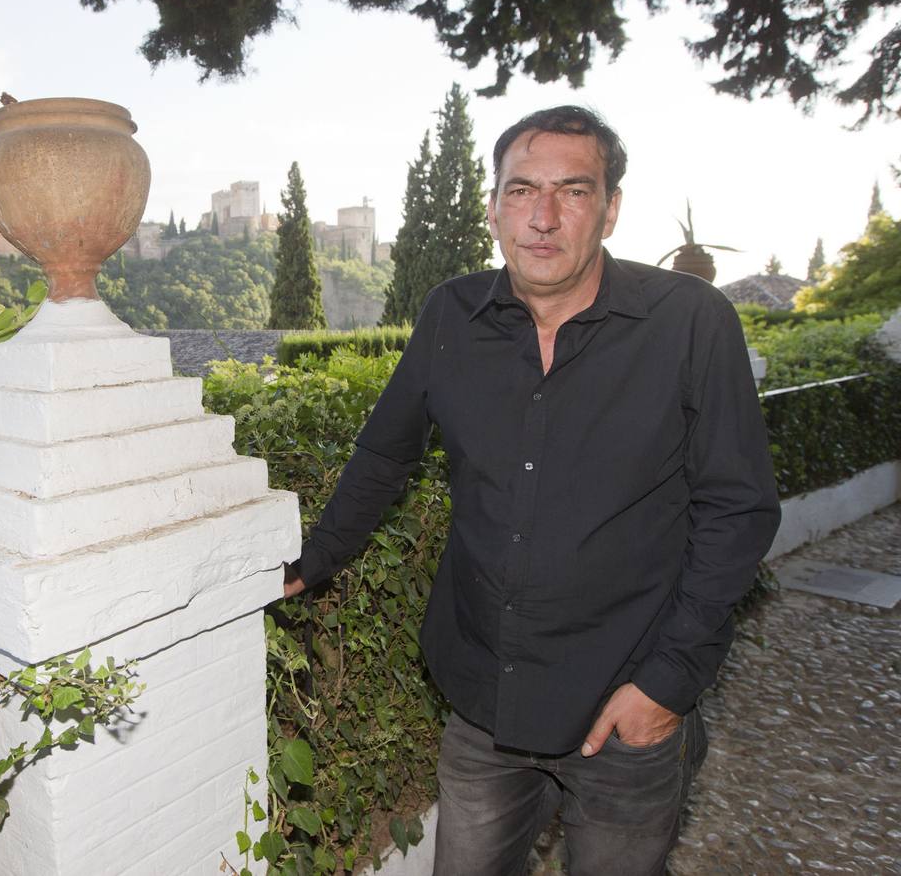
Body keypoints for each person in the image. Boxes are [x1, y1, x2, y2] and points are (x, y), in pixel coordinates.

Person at [282, 106, 781, 875]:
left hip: (624, 703)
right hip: (485, 701)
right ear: (492, 208)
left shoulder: (689, 323)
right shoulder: (451, 312)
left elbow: (737, 509)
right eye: (521, 191)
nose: (542, 218)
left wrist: (667, 682)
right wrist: (308, 561)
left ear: (609, 208)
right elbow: (386, 453)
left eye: (572, 191)